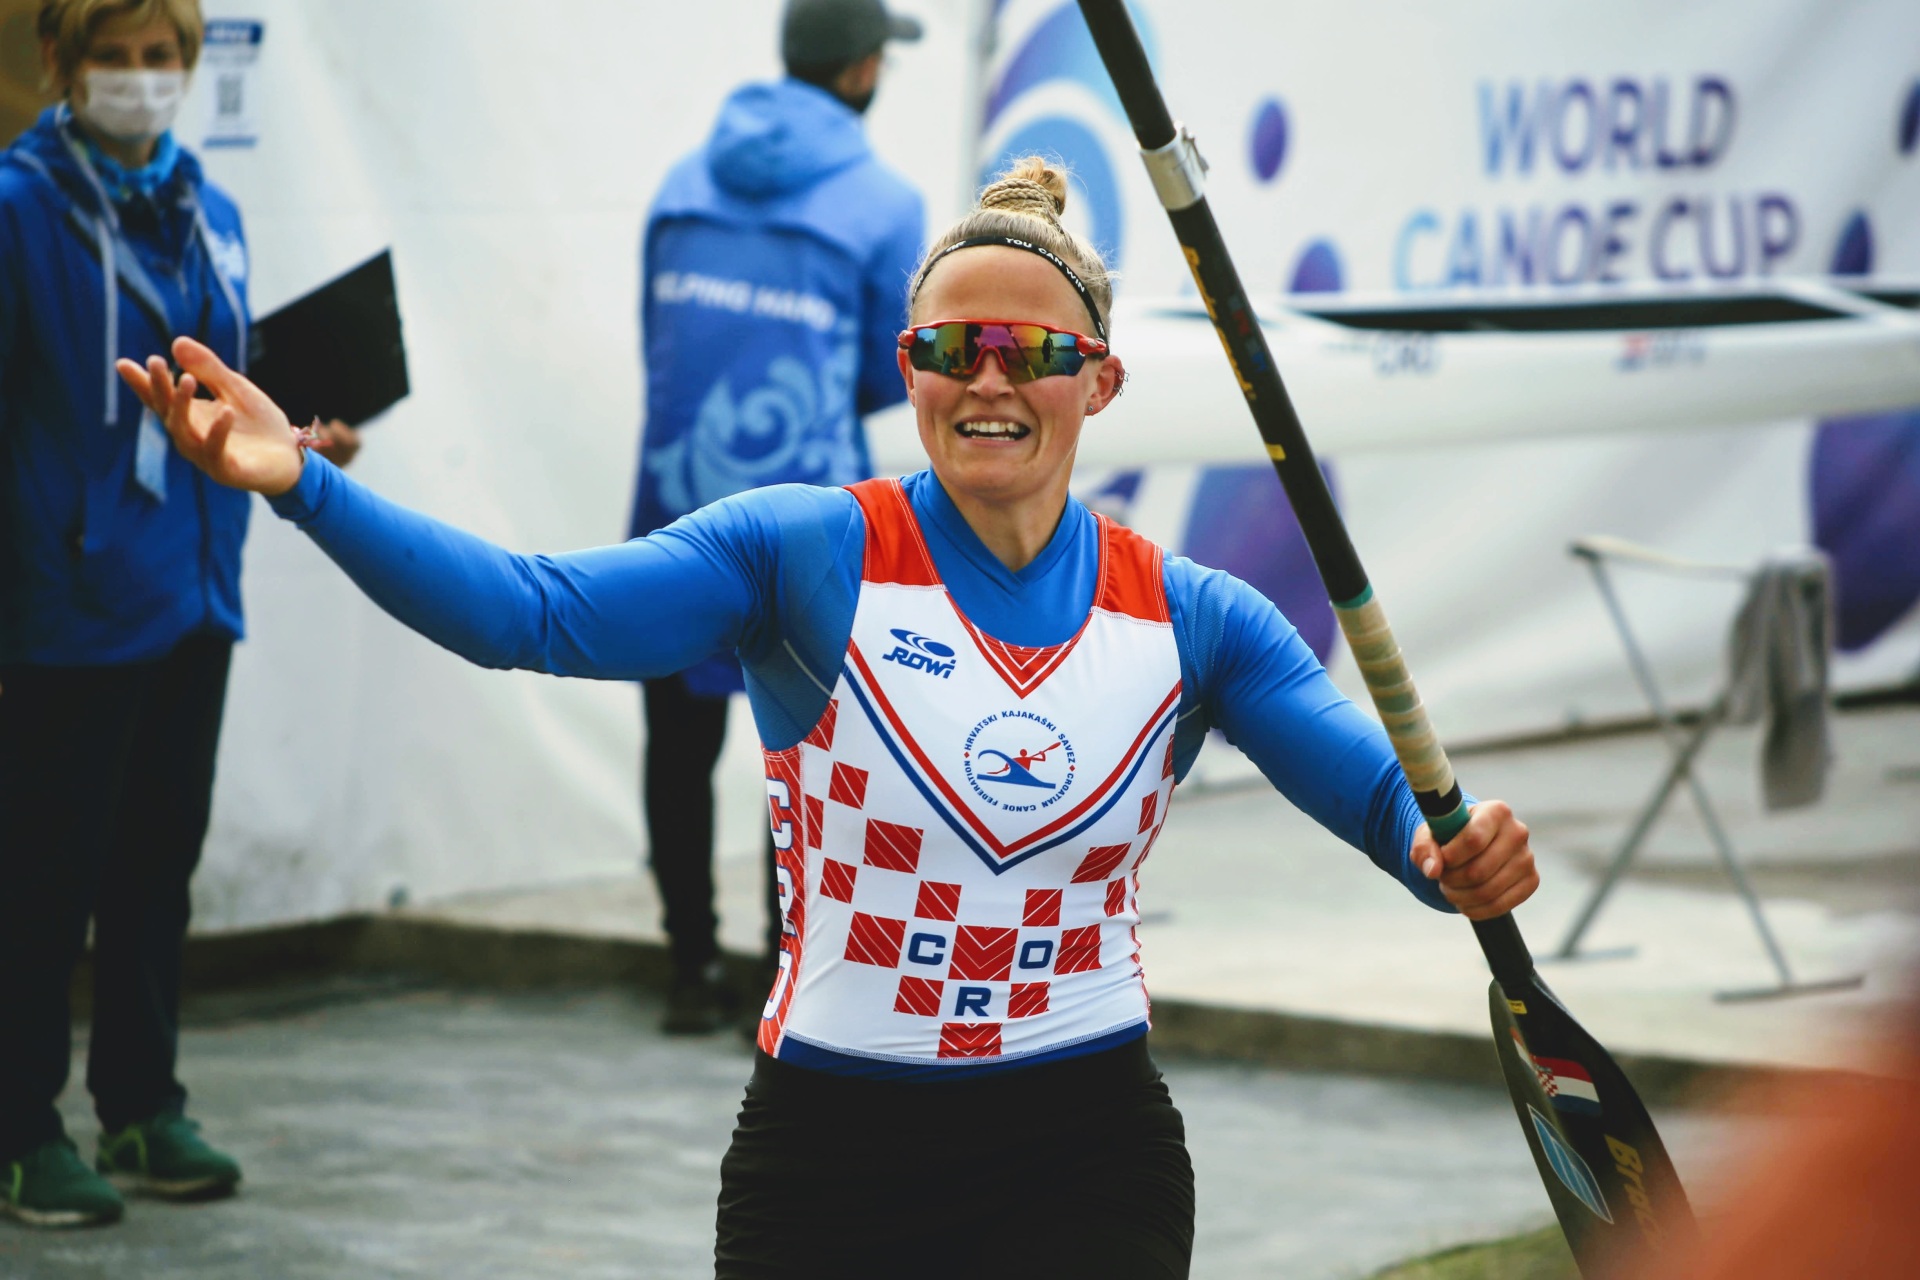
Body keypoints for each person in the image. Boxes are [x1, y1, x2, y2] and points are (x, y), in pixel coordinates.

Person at [118, 158, 1540, 1278]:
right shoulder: (804, 553)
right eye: (950, 347)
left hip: (1089, 1153)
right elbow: (531, 613)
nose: (989, 378)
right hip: (834, 1155)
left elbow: (1388, 805)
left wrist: (1453, 852)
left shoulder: (1194, 616)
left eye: (1031, 351)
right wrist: (301, 484)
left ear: (1099, 381)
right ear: (908, 366)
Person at [0, 0, 354, 1229]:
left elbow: (216, 386)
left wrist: (293, 433)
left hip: (196, 589)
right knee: (44, 877)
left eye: (162, 58)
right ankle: (19, 1128)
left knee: (157, 864)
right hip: (68, 604)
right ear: (59, 62)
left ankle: (142, 1103)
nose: (140, 79)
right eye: (114, 56)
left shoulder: (217, 215)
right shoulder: (17, 212)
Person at [629, 0, 925, 1032]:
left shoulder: (680, 183)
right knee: (800, 754)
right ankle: (784, 979)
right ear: (861, 71)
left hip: (673, 499)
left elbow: (656, 340)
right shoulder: (887, 202)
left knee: (677, 742)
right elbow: (890, 376)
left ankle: (687, 971)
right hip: (808, 525)